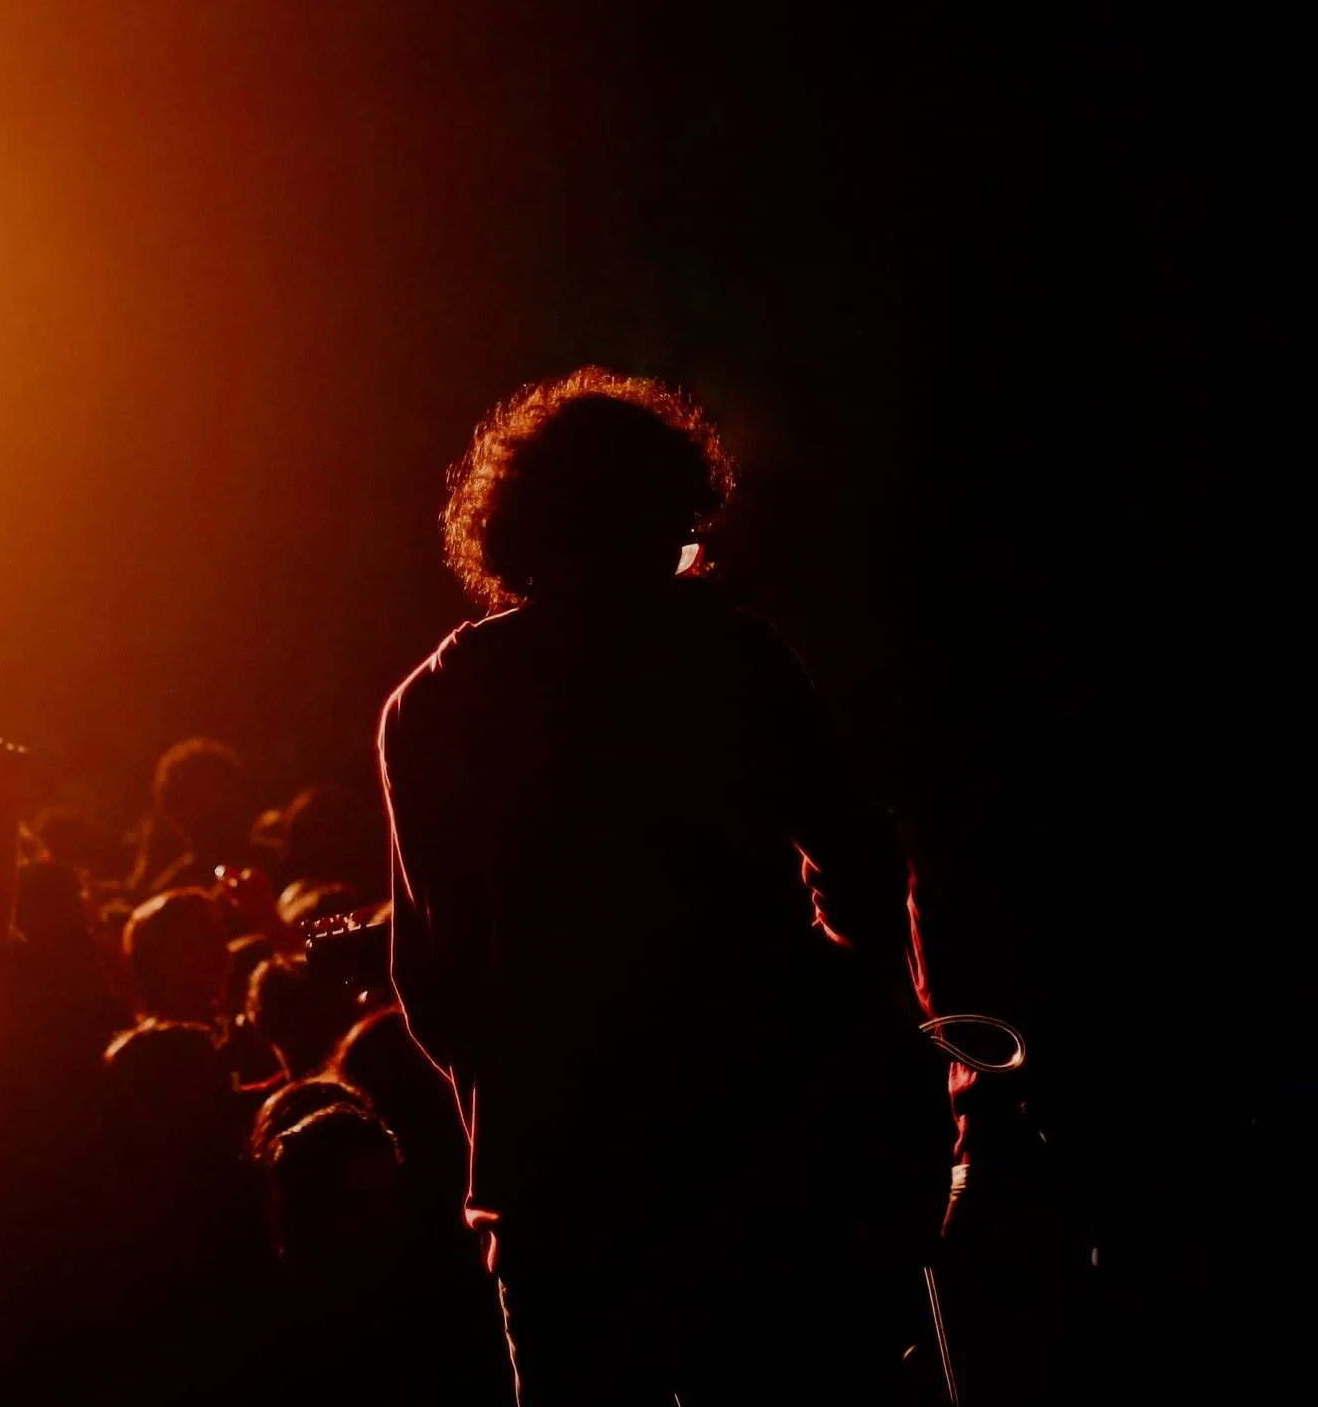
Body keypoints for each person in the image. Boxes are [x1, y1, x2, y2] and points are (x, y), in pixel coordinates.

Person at [380, 367, 952, 1403]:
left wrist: (522, 1102)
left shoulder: (438, 700)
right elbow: (860, 863)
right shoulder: (731, 656)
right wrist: (827, 1005)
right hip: (758, 1159)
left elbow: (433, 973)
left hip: (558, 1188)